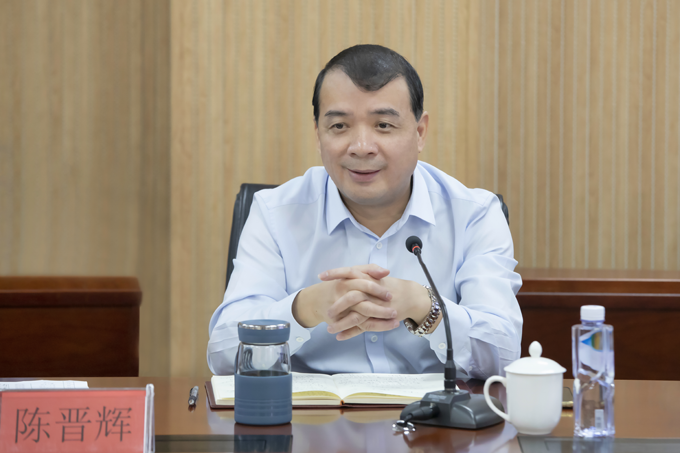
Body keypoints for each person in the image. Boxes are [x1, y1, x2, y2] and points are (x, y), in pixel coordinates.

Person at [207, 44, 522, 378]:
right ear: (318, 135)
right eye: (339, 126)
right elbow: (223, 353)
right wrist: (305, 308)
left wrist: (424, 306)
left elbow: (503, 355)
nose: (361, 147)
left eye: (383, 125)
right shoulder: (275, 213)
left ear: (419, 133)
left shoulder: (474, 215)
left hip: (434, 411)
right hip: (307, 410)